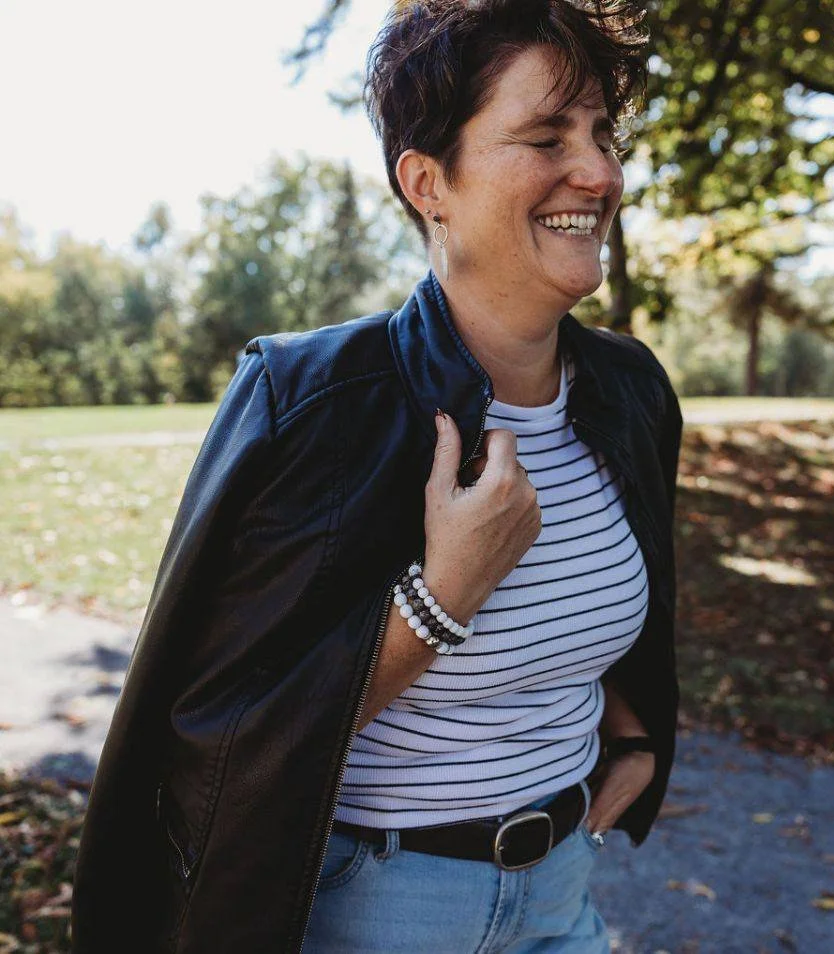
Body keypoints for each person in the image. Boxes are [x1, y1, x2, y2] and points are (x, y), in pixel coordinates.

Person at [71, 1, 683, 952]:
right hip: (371, 910)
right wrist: (444, 596)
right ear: (429, 182)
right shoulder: (308, 399)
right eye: (546, 137)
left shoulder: (631, 392)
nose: (600, 173)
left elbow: (616, 615)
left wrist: (636, 731)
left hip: (563, 902)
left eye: (603, 135)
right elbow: (222, 729)